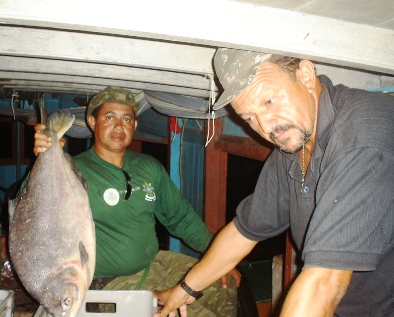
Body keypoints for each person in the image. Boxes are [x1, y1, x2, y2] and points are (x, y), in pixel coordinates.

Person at [153, 48, 394, 317]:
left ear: (305, 74)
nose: (266, 126)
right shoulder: (294, 143)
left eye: (269, 101)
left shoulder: (364, 137)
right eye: (248, 118)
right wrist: (183, 292)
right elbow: (244, 231)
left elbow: (325, 282)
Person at [33, 86, 240, 317]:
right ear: (93, 122)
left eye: (127, 119)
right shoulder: (72, 169)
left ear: (135, 125)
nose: (119, 126)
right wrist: (44, 159)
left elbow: (180, 218)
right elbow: (35, 207)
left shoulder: (148, 166)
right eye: (109, 117)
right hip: (108, 281)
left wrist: (219, 258)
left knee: (224, 284)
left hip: (155, 263)